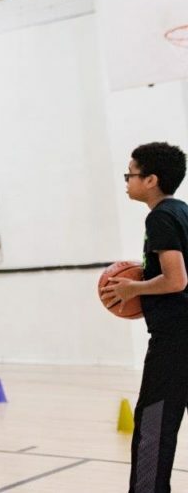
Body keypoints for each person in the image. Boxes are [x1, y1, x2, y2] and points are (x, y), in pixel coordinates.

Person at [102, 142, 188, 493]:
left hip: (175, 341)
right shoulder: (182, 211)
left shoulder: (161, 216)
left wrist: (132, 291)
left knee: (153, 424)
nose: (126, 181)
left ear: (151, 179)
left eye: (131, 174)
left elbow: (176, 279)